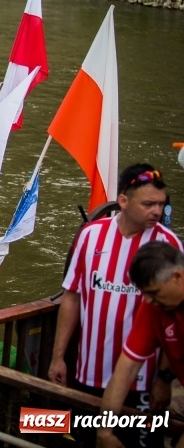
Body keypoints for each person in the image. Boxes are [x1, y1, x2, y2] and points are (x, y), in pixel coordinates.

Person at [48, 164, 182, 447]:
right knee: (88, 438)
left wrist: (164, 378)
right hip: (90, 371)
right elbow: (71, 296)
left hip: (144, 381)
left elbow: (171, 318)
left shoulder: (168, 246)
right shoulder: (91, 235)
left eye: (160, 204)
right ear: (123, 200)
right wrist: (58, 356)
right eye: (148, 204)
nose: (157, 212)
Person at [97, 242, 184, 447]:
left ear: (178, 277)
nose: (148, 301)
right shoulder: (154, 306)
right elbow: (126, 369)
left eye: (154, 292)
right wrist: (104, 432)